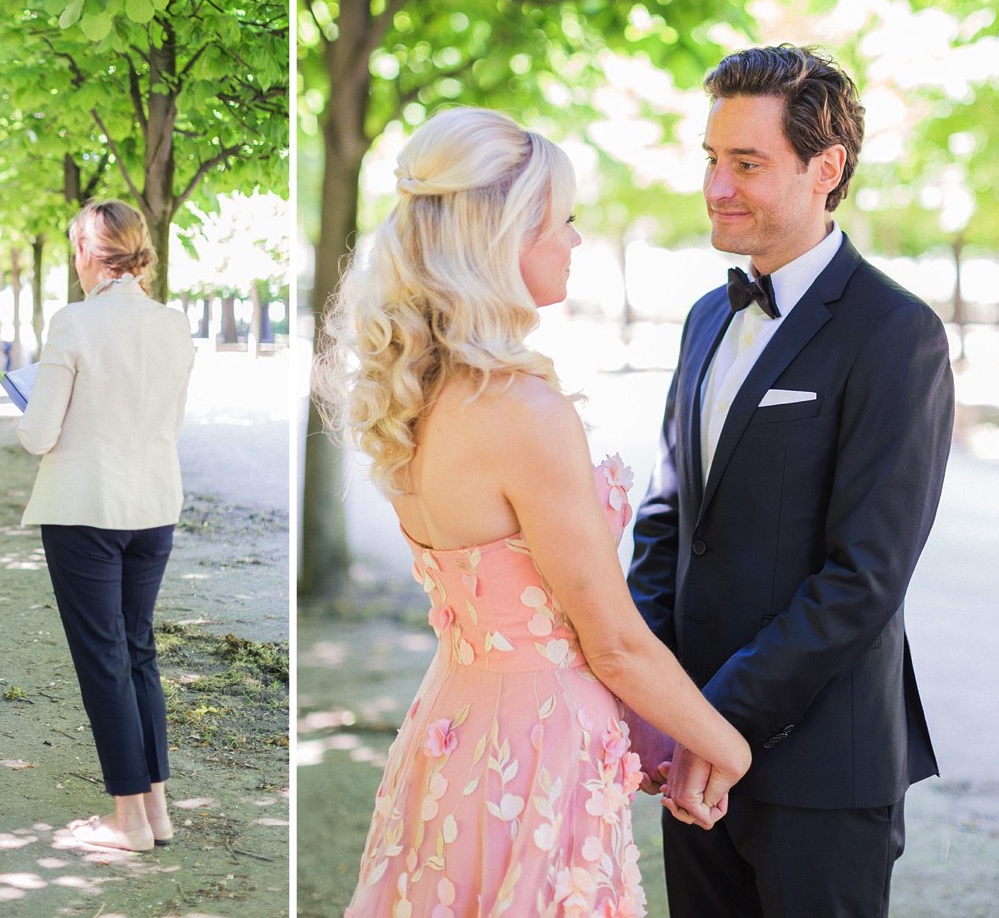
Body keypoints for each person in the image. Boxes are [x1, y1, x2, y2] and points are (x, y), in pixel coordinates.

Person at [313, 107, 751, 915]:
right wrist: (728, 746)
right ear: (504, 237)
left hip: (454, 726)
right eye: (565, 221)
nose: (576, 241)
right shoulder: (521, 408)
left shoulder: (417, 392)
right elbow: (612, 643)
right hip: (536, 759)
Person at [626, 45, 955, 917]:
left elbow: (866, 576)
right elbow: (667, 517)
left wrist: (719, 720)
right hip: (692, 749)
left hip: (822, 766)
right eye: (710, 159)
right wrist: (661, 702)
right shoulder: (705, 317)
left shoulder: (897, 334)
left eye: (747, 164)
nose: (716, 187)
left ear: (826, 168)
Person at [17, 200, 195, 853]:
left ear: (91, 252)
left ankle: (127, 821)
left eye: (75, 247)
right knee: (138, 650)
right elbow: (167, 424)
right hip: (154, 506)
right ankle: (157, 811)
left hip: (85, 508)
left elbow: (39, 435)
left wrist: (28, 404)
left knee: (104, 659)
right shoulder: (174, 326)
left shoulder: (75, 323)